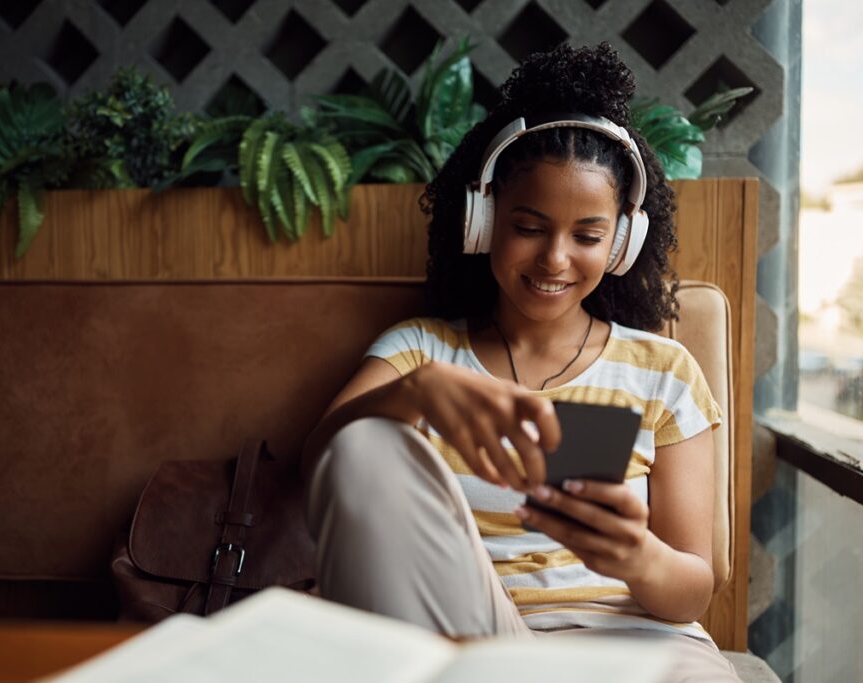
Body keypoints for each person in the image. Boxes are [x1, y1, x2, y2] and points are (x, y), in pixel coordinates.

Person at [300, 43, 742, 681]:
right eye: (529, 227)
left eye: (587, 236)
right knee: (365, 440)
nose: (555, 259)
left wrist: (638, 554)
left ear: (621, 242)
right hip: (478, 642)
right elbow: (325, 466)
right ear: (483, 221)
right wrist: (415, 394)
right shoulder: (420, 351)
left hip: (637, 649)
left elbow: (695, 590)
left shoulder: (664, 372)